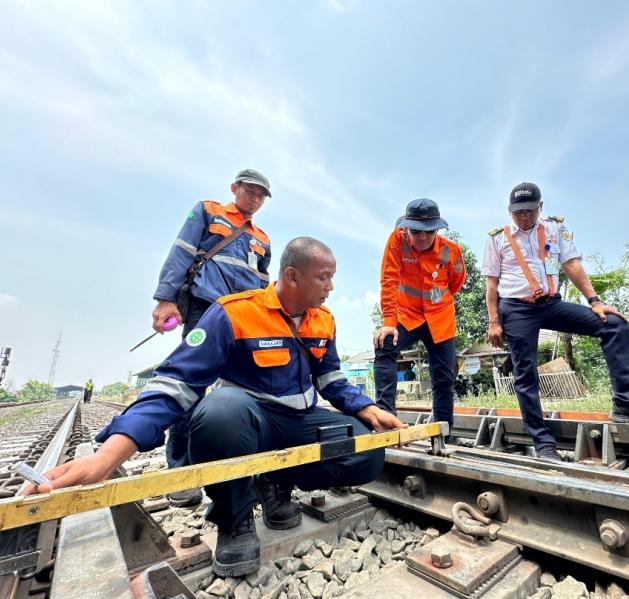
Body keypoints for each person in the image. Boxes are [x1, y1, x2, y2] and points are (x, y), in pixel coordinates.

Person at [24, 237, 406, 578]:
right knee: (218, 412)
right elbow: (175, 382)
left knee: (367, 453)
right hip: (248, 422)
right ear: (292, 276)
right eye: (324, 277)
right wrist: (108, 455)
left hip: (299, 420)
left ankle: (275, 483)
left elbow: (330, 380)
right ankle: (234, 518)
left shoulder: (324, 320)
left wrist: (367, 410)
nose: (331, 286)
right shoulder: (234, 312)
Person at [482, 182, 629, 462]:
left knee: (613, 324)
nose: (524, 217)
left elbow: (572, 264)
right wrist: (494, 321)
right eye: (518, 213)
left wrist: (595, 301)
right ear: (510, 212)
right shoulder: (497, 238)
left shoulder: (554, 228)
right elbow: (491, 284)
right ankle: (543, 443)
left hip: (551, 304)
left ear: (540, 207)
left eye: (529, 211)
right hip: (517, 309)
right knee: (525, 372)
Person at [152, 168, 273, 506]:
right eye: (250, 191)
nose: (256, 198)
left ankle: (243, 469)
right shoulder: (207, 211)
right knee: (191, 384)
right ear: (235, 188)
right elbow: (181, 252)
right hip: (205, 307)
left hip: (244, 318)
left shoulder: (262, 238)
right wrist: (165, 298)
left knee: (247, 388)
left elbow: (263, 284)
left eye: (262, 195)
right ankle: (181, 473)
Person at [373, 199, 466, 434]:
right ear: (406, 228)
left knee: (443, 377)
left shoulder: (451, 251)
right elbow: (389, 280)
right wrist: (388, 323)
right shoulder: (397, 241)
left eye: (429, 231)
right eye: (416, 231)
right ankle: (386, 421)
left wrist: (435, 302)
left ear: (437, 230)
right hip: (408, 315)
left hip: (439, 317)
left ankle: (444, 432)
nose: (422, 237)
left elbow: (455, 283)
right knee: (385, 343)